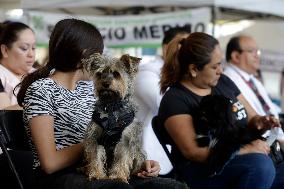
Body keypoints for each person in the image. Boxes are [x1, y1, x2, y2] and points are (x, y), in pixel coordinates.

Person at [16, 18, 188, 189]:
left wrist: (134, 161)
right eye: (99, 53)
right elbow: (49, 164)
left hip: (100, 170)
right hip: (58, 177)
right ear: (83, 56)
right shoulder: (41, 90)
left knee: (169, 186)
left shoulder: (89, 88)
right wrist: (97, 140)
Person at [158, 32, 284, 189]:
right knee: (260, 166)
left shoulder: (223, 82)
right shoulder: (175, 99)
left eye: (220, 64)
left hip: (246, 159)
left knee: (264, 165)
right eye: (214, 66)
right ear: (194, 69)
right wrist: (247, 149)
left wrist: (262, 122)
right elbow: (194, 151)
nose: (220, 70)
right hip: (207, 170)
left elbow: (252, 119)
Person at [134, 26, 190, 175]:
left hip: (171, 156)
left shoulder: (181, 76)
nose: (188, 52)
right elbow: (169, 109)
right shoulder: (146, 74)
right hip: (148, 160)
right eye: (183, 45)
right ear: (167, 48)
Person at [224, 35, 281, 118]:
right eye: (252, 51)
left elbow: (269, 109)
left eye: (257, 51)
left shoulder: (252, 80)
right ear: (236, 56)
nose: (257, 56)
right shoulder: (228, 80)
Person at [0, 21, 36, 109]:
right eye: (24, 48)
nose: (31, 54)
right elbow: (5, 114)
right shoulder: (1, 75)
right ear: (5, 50)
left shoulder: (39, 74)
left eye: (34, 48)